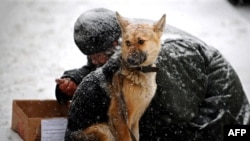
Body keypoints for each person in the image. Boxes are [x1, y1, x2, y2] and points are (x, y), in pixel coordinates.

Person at [55, 8, 250, 141]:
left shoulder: (161, 57)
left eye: (97, 56)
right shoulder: (126, 44)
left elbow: (176, 117)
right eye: (90, 57)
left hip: (227, 125)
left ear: (115, 44)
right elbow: (103, 71)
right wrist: (76, 79)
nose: (94, 61)